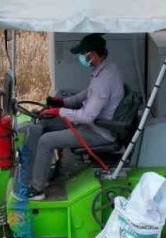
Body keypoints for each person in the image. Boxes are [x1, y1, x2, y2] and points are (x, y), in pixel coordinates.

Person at [19, 33, 125, 200]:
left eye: (83, 55)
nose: (81, 58)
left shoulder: (104, 80)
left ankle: (36, 189)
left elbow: (87, 116)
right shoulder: (107, 69)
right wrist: (63, 102)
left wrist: (59, 111)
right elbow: (87, 93)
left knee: (46, 141)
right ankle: (41, 174)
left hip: (97, 131)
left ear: (93, 55)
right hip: (93, 123)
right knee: (43, 125)